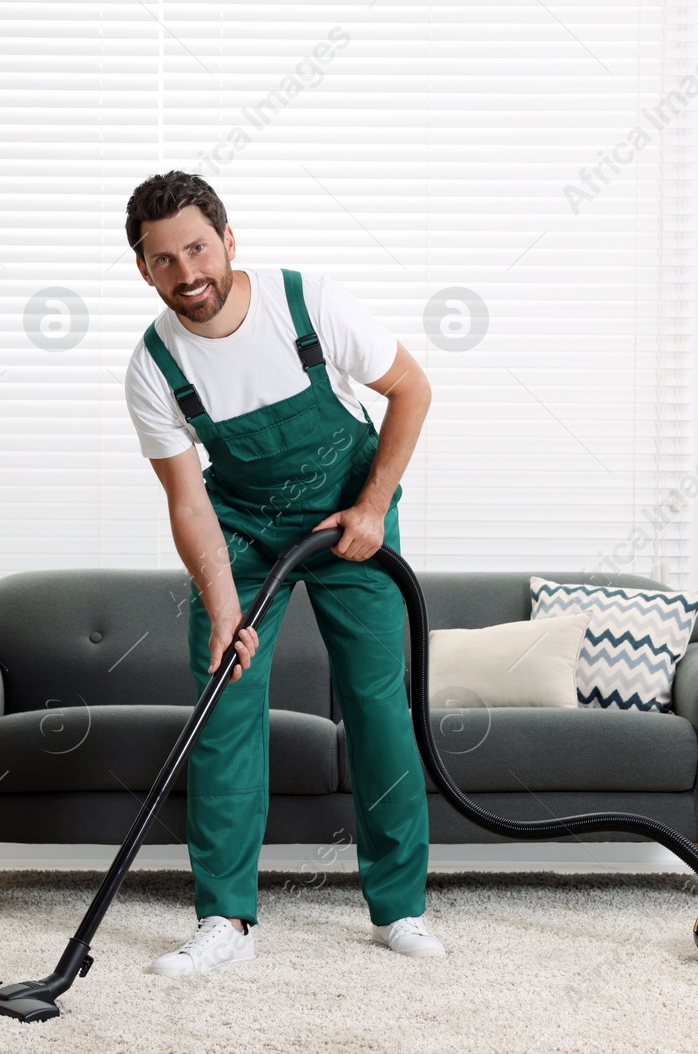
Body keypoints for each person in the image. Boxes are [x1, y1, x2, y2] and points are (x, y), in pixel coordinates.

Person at [121, 170, 444, 976]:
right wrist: (225, 609)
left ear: (229, 241)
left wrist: (373, 507)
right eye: (164, 259)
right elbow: (189, 503)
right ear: (143, 269)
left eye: (197, 247)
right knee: (224, 703)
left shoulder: (311, 305)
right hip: (241, 525)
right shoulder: (153, 366)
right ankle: (224, 919)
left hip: (348, 518)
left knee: (377, 702)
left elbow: (410, 389)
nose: (187, 271)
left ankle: (400, 908)